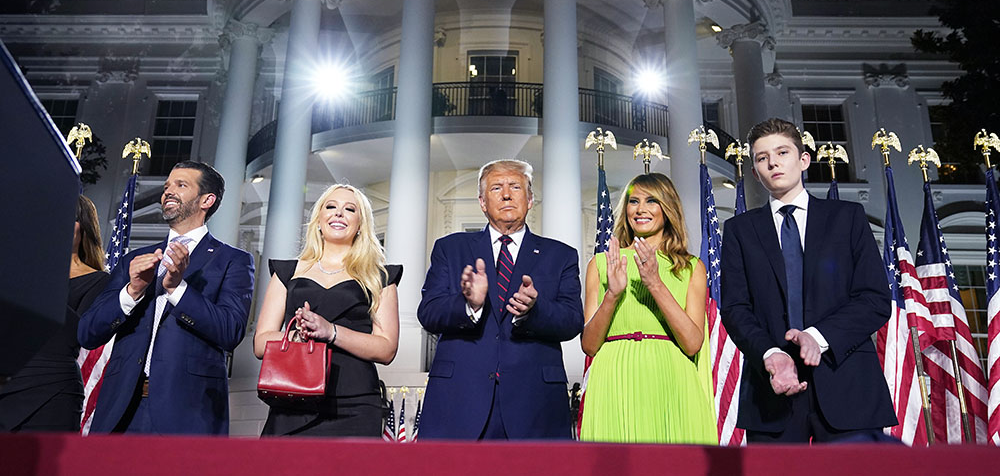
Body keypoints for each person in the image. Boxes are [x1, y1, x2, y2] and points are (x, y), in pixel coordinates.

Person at [719, 118, 897, 442]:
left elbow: (874, 299)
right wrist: (770, 354)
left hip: (847, 382)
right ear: (756, 171)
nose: (772, 162)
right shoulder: (738, 231)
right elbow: (735, 308)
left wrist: (819, 336)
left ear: (803, 160)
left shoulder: (848, 218)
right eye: (761, 158)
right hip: (771, 392)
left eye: (782, 152)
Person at [78, 161, 255, 434]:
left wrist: (177, 289)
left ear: (207, 200)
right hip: (122, 410)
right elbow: (88, 332)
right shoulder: (132, 262)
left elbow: (230, 331)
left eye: (181, 185)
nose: (168, 192)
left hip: (188, 412)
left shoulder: (233, 261)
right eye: (167, 186)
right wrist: (132, 291)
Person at [417, 159, 584, 440]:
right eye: (496, 187)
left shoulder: (561, 255)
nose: (506, 194)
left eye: (515, 187)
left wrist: (534, 310)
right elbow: (429, 312)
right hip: (460, 401)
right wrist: (469, 304)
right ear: (482, 202)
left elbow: (572, 321)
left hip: (534, 404)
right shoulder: (450, 248)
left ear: (530, 199)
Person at [579, 173, 716, 443]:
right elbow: (590, 345)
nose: (640, 209)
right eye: (633, 201)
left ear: (668, 208)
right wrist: (613, 295)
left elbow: (692, 343)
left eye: (651, 201)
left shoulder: (691, 267)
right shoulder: (600, 264)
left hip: (670, 380)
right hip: (613, 380)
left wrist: (655, 283)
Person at [254, 183, 400, 437]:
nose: (338, 213)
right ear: (319, 220)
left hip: (356, 404)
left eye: (350, 209)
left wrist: (330, 331)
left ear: (361, 225)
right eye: (330, 206)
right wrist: (297, 336)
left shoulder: (381, 277)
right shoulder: (286, 271)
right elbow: (260, 342)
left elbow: (386, 348)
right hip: (293, 399)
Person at [0, 195, 110, 432]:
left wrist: (44, 276)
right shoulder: (17, 273)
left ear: (84, 227)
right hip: (7, 381)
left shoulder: (98, 281)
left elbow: (79, 335)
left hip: (53, 390)